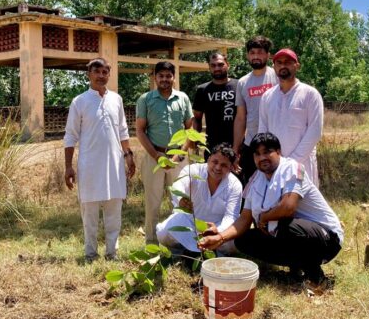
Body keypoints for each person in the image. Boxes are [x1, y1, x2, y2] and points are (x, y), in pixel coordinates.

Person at [199, 133, 343, 283]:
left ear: (279, 152)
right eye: (257, 154)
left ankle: (315, 276)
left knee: (282, 227)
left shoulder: (293, 168)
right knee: (243, 240)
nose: (262, 158)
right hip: (290, 231)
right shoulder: (255, 180)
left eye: (267, 152)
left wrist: (264, 217)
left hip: (327, 238)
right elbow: (244, 219)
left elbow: (288, 207)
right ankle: (296, 268)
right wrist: (220, 238)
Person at [63, 58, 136, 262]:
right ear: (89, 74)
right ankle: (90, 253)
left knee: (114, 210)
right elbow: (70, 135)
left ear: (109, 75)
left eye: (105, 72)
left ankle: (112, 252)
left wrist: (128, 156)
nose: (101, 75)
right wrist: (68, 167)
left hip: (115, 164)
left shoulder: (116, 99)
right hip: (90, 167)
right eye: (97, 71)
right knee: (90, 213)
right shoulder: (80, 101)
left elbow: (122, 130)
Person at [136, 61, 193, 243]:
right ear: (155, 78)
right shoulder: (146, 99)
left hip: (179, 157)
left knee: (180, 200)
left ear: (174, 78)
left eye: (168, 76)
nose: (165, 79)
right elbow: (140, 131)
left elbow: (190, 130)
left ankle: (179, 241)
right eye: (161, 76)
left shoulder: (183, 98)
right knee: (153, 202)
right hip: (155, 157)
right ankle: (151, 241)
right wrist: (156, 155)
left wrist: (180, 154)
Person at [156, 143, 242, 255]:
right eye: (215, 162)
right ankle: (181, 253)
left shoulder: (235, 185)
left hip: (217, 227)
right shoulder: (194, 170)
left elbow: (231, 216)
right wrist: (181, 198)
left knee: (234, 242)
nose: (217, 168)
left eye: (224, 165)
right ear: (209, 159)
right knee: (164, 233)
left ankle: (216, 255)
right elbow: (179, 185)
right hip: (189, 222)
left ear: (231, 167)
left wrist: (218, 231)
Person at [258, 48, 324, 187]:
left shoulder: (310, 94)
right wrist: (269, 159)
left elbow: (315, 132)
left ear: (297, 66)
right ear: (274, 67)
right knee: (276, 203)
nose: (283, 66)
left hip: (301, 163)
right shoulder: (267, 96)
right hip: (274, 164)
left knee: (302, 203)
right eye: (279, 63)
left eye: (288, 62)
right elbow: (262, 132)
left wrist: (291, 163)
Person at [232, 36, 278, 185]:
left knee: (276, 186)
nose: (256, 56)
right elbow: (240, 118)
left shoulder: (277, 77)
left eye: (260, 52)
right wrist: (235, 149)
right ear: (247, 55)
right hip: (251, 144)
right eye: (252, 53)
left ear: (267, 55)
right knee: (251, 187)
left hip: (275, 143)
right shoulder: (243, 82)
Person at [192, 53, 238, 151]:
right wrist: (195, 140)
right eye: (213, 65)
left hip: (237, 145)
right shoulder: (202, 90)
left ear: (228, 65)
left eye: (220, 64)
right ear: (209, 67)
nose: (217, 68)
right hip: (212, 146)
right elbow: (197, 118)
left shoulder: (239, 86)